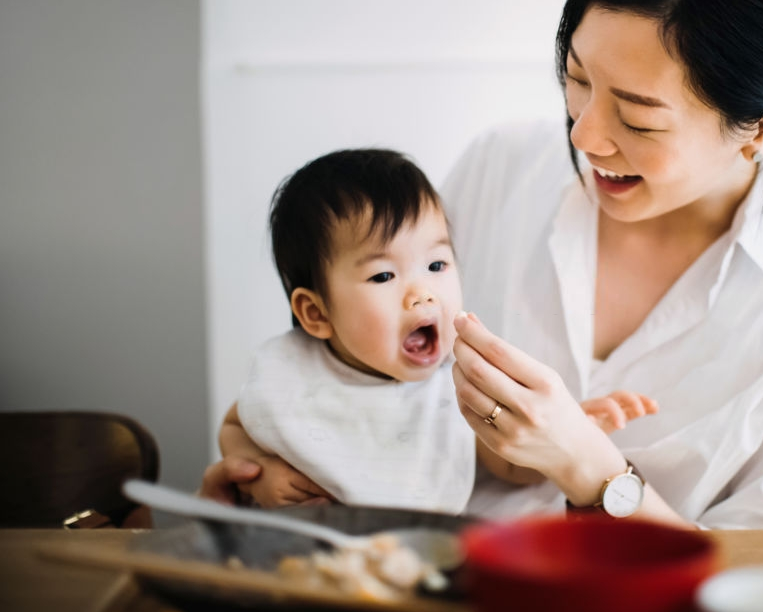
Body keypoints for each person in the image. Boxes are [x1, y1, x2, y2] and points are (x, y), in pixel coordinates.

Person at [203, 0, 763, 529]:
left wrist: (591, 469)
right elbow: (347, 367)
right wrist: (270, 468)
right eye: (579, 79)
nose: (585, 137)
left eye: (639, 118)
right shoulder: (501, 168)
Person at [217, 148, 658, 511]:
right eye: (383, 277)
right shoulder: (290, 372)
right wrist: (257, 470)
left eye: (436, 265)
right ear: (316, 313)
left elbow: (507, 463)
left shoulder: (461, 386)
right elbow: (238, 424)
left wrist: (573, 432)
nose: (422, 294)